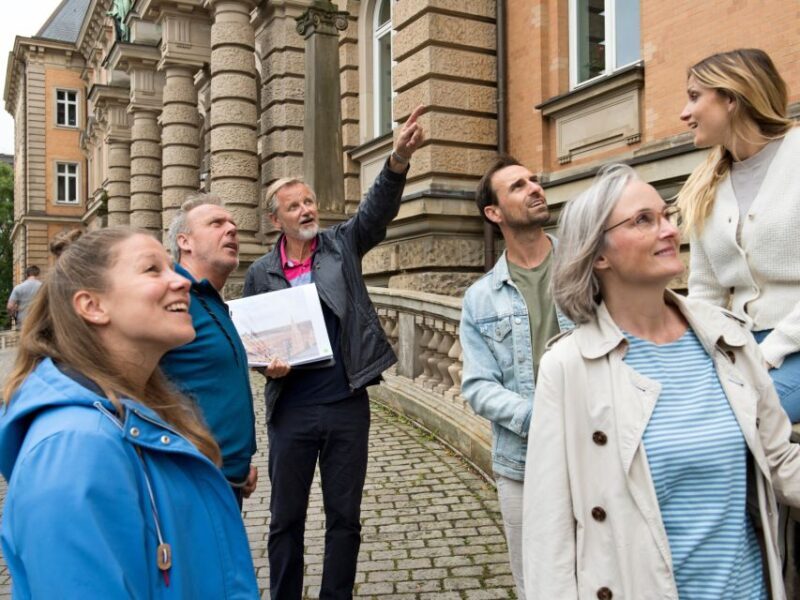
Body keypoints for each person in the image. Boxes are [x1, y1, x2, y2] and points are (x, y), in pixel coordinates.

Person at [522, 164, 800, 600]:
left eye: (666, 214)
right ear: (599, 255)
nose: (669, 230)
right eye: (643, 220)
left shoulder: (728, 338)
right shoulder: (569, 366)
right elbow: (548, 531)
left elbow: (781, 462)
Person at [0, 228, 259, 597]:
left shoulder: (145, 409)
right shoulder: (74, 448)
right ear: (92, 306)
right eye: (153, 270)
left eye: (172, 267)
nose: (181, 282)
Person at [243, 105, 425, 599]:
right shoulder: (260, 274)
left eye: (310, 201)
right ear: (275, 218)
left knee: (344, 517)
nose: (307, 210)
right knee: (285, 519)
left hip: (346, 403)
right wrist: (265, 364)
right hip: (292, 410)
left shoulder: (341, 245)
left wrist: (397, 160)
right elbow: (255, 343)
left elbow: (375, 212)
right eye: (295, 205)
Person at [459, 155, 570, 598]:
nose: (535, 188)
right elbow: (478, 386)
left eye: (535, 181)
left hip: (595, 445)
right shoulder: (481, 298)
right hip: (523, 463)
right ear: (494, 212)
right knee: (535, 583)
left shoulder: (586, 265)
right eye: (519, 186)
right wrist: (539, 417)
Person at [677, 48, 800, 421]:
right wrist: (706, 361)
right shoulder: (702, 186)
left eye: (695, 97)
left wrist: (768, 353)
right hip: (744, 347)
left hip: (791, 347)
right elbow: (705, 294)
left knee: (736, 423)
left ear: (731, 97)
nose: (684, 113)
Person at [161, 194, 258, 508]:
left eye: (233, 224)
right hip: (193, 482)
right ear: (185, 241)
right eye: (216, 223)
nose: (231, 229)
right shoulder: (173, 297)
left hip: (228, 479)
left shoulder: (210, 298)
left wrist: (239, 465)